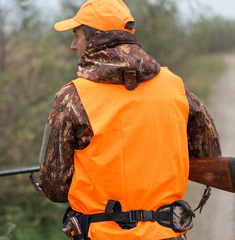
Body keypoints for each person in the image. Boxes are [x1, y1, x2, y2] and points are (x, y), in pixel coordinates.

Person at [38, 0, 221, 239]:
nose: (73, 45)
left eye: (77, 36)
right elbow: (209, 154)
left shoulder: (72, 97)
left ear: (94, 40)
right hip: (167, 233)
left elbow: (54, 187)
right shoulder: (174, 85)